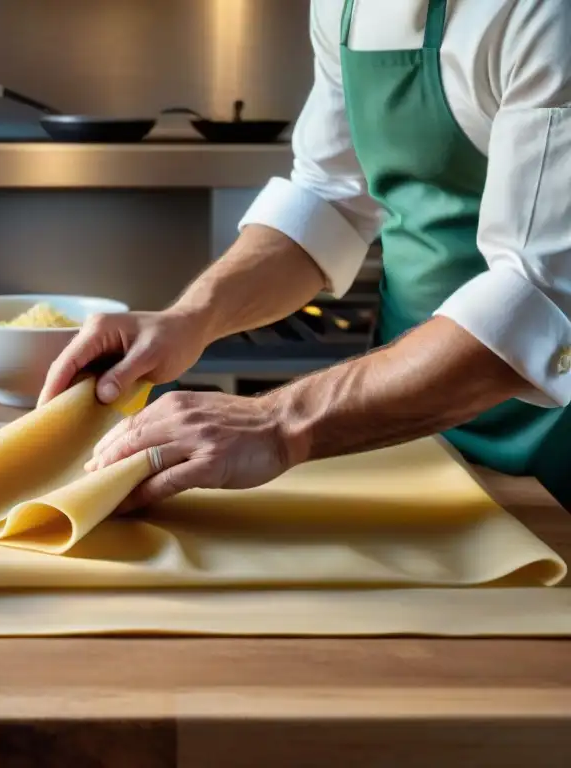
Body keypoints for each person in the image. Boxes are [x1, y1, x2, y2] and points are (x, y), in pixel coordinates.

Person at [38, 0, 571, 513]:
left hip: (552, 438)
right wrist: (189, 318)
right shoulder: (342, 7)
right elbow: (329, 199)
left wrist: (277, 421)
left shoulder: (546, 14)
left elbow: (539, 294)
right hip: (400, 414)